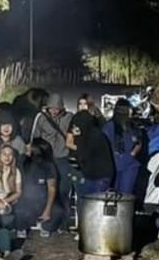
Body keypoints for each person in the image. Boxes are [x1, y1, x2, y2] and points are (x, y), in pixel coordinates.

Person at [30, 93, 74, 221]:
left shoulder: (69, 117)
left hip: (63, 157)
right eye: (51, 108)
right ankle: (46, 216)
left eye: (57, 108)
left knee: (63, 190)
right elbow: (35, 138)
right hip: (46, 158)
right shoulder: (41, 118)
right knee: (47, 189)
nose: (54, 111)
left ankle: (63, 220)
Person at [17, 138, 66, 237]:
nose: (28, 147)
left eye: (31, 146)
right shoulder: (24, 161)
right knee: (19, 211)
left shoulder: (49, 166)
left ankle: (45, 226)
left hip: (44, 201)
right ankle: (23, 227)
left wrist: (47, 210)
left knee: (58, 212)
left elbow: (52, 189)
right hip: (28, 201)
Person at [67, 110, 115, 197]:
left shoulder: (95, 136)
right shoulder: (91, 134)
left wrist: (75, 140)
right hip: (91, 176)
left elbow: (84, 154)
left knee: (94, 203)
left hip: (99, 177)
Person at [103, 102, 145, 196]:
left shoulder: (132, 127)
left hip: (129, 165)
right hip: (114, 164)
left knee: (125, 194)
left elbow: (139, 142)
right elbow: (104, 143)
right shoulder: (110, 126)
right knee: (114, 194)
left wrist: (132, 154)